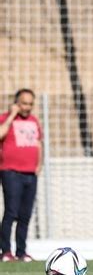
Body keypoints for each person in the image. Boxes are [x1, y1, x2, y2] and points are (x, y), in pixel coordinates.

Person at [0, 89, 42, 262]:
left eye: (30, 103)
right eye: (24, 103)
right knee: (11, 212)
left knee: (25, 215)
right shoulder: (5, 118)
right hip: (11, 172)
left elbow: (39, 143)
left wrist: (39, 165)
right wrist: (12, 115)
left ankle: (21, 251)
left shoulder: (34, 121)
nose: (28, 107)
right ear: (17, 103)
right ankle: (6, 252)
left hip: (30, 174)